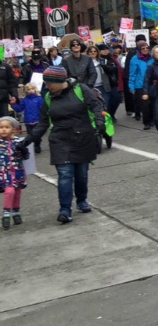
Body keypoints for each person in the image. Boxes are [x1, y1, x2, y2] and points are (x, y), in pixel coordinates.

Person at [25, 66, 104, 224]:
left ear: (59, 81)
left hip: (82, 137)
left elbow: (96, 106)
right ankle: (65, 210)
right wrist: (27, 141)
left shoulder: (81, 89)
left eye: (49, 83)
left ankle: (81, 201)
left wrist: (99, 121)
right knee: (65, 175)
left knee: (81, 174)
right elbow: (42, 123)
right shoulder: (48, 97)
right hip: (60, 140)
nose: (47, 86)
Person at [0, 116, 29, 230]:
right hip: (4, 172)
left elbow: (26, 157)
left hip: (17, 172)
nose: (3, 129)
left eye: (7, 127)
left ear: (14, 129)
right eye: (1, 127)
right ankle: (6, 214)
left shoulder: (18, 142)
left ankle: (16, 212)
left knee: (17, 192)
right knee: (9, 190)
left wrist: (23, 150)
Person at [10, 84, 43, 153]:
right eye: (28, 89)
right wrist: (13, 104)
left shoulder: (39, 99)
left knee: (37, 135)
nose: (31, 91)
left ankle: (37, 145)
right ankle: (29, 147)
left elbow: (43, 109)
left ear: (35, 89)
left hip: (37, 120)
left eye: (32, 89)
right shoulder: (24, 100)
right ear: (26, 91)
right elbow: (19, 109)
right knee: (30, 135)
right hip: (28, 121)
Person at [129, 41, 154, 130]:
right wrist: (131, 86)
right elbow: (132, 73)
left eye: (147, 48)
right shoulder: (134, 59)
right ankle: (146, 122)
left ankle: (152, 120)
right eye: (143, 48)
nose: (145, 50)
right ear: (139, 49)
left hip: (151, 84)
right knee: (145, 105)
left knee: (152, 104)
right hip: (140, 85)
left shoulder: (152, 57)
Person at [97, 44, 121, 119]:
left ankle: (112, 113)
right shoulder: (97, 60)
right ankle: (109, 116)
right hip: (103, 84)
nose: (105, 51)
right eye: (103, 49)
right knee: (106, 102)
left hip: (113, 83)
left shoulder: (111, 58)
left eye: (106, 49)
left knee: (116, 99)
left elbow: (113, 69)